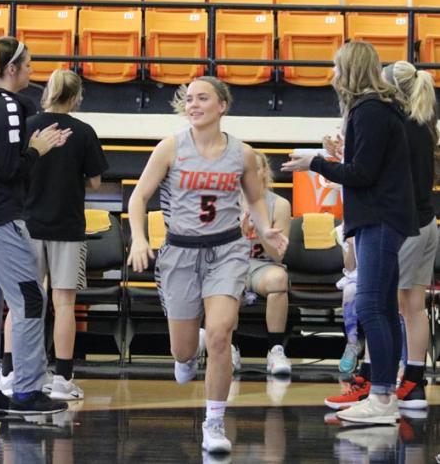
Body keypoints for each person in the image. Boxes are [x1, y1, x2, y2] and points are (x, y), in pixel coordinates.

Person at [127, 76, 288, 454]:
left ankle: (214, 422)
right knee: (182, 352)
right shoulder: (170, 148)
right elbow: (138, 198)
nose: (193, 104)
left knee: (221, 333)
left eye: (202, 98)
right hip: (180, 252)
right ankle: (189, 349)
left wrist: (267, 229)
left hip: (227, 251)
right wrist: (138, 237)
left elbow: (255, 201)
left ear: (222, 106)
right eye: (189, 99)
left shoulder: (243, 154)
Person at [282, 41, 418, 425]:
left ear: (352, 71)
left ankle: (381, 397)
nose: (334, 76)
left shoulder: (370, 109)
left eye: (338, 68)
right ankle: (384, 396)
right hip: (383, 217)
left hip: (379, 218)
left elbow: (362, 175)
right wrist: (340, 157)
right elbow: (366, 167)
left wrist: (316, 162)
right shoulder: (377, 109)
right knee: (384, 309)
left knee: (373, 306)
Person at [0, 35, 71, 415]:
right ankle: (26, 391)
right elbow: (10, 169)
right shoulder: (5, 105)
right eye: (29, 65)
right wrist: (36, 150)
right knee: (29, 298)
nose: (32, 72)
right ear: (11, 69)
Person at [25, 69, 106, 400]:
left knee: (23, 303)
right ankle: (62, 378)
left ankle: (13, 370)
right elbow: (97, 181)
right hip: (67, 226)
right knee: (64, 304)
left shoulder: (29, 126)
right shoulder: (84, 131)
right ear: (75, 97)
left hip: (27, 224)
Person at [383, 61, 438, 410]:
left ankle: (381, 382)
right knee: (413, 307)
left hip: (406, 226)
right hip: (426, 221)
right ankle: (414, 383)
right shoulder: (424, 125)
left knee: (389, 305)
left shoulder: (399, 127)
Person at [240, 150, 291, 375]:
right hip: (233, 262)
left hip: (264, 265)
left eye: (255, 167)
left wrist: (261, 232)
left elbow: (278, 256)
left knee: (279, 279)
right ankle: (229, 348)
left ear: (264, 171)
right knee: (222, 278)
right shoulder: (226, 201)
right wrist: (240, 234)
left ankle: (275, 349)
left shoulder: (279, 205)